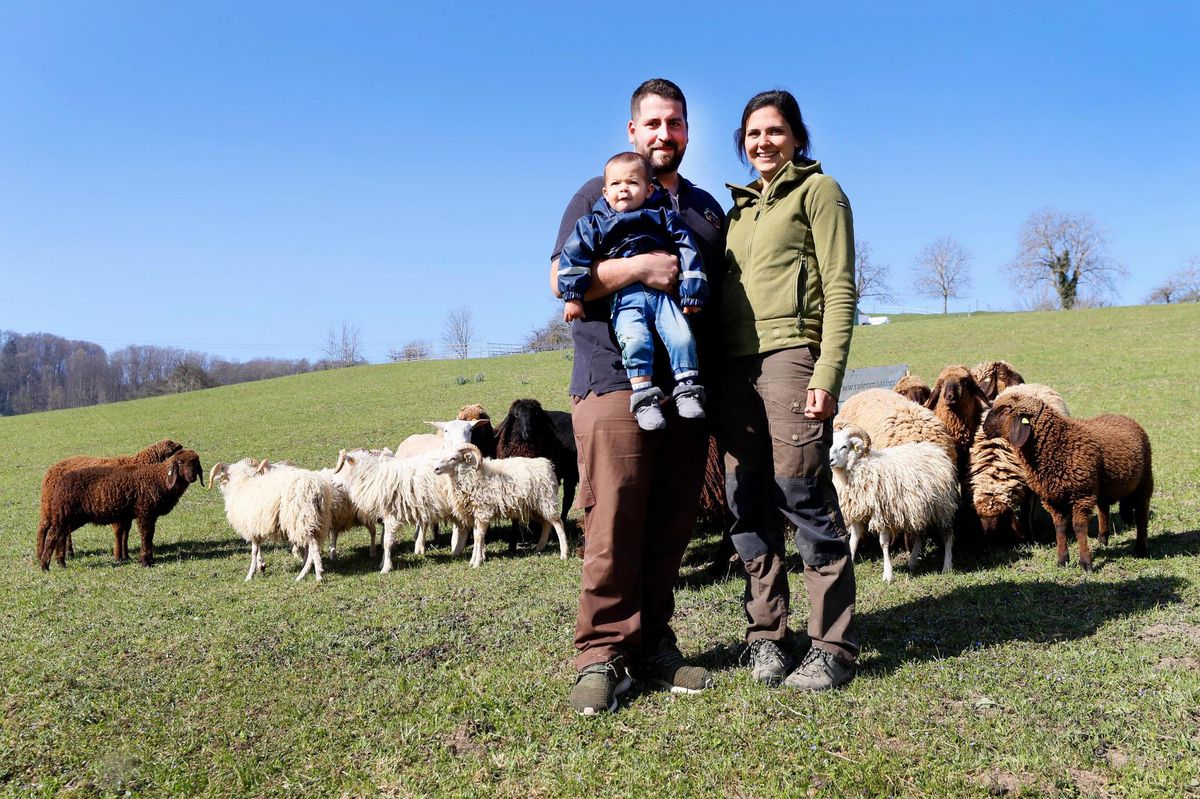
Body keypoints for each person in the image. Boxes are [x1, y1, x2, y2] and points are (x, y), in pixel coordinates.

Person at [549, 78, 727, 715]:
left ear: (687, 131)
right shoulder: (601, 192)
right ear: (633, 130)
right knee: (613, 520)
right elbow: (559, 276)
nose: (663, 134)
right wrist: (637, 270)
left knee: (673, 521)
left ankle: (653, 643)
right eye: (652, 124)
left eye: (674, 123)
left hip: (684, 390)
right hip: (612, 381)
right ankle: (602, 654)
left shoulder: (706, 208)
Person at [716, 89, 859, 691]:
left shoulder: (819, 193)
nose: (762, 143)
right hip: (732, 369)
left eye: (774, 131)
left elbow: (841, 288)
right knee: (745, 499)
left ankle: (832, 645)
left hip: (791, 357)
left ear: (797, 136)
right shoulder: (738, 212)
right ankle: (768, 636)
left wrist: (826, 374)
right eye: (752, 134)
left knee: (800, 493)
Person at [557, 151, 708, 431]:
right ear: (605, 191)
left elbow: (688, 249)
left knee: (681, 336)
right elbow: (573, 256)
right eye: (615, 184)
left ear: (649, 189)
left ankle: (687, 390)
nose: (623, 188)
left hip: (663, 297)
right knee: (634, 339)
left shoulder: (664, 216)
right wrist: (573, 296)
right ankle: (643, 398)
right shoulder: (594, 223)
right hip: (626, 299)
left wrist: (692, 292)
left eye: (632, 183)